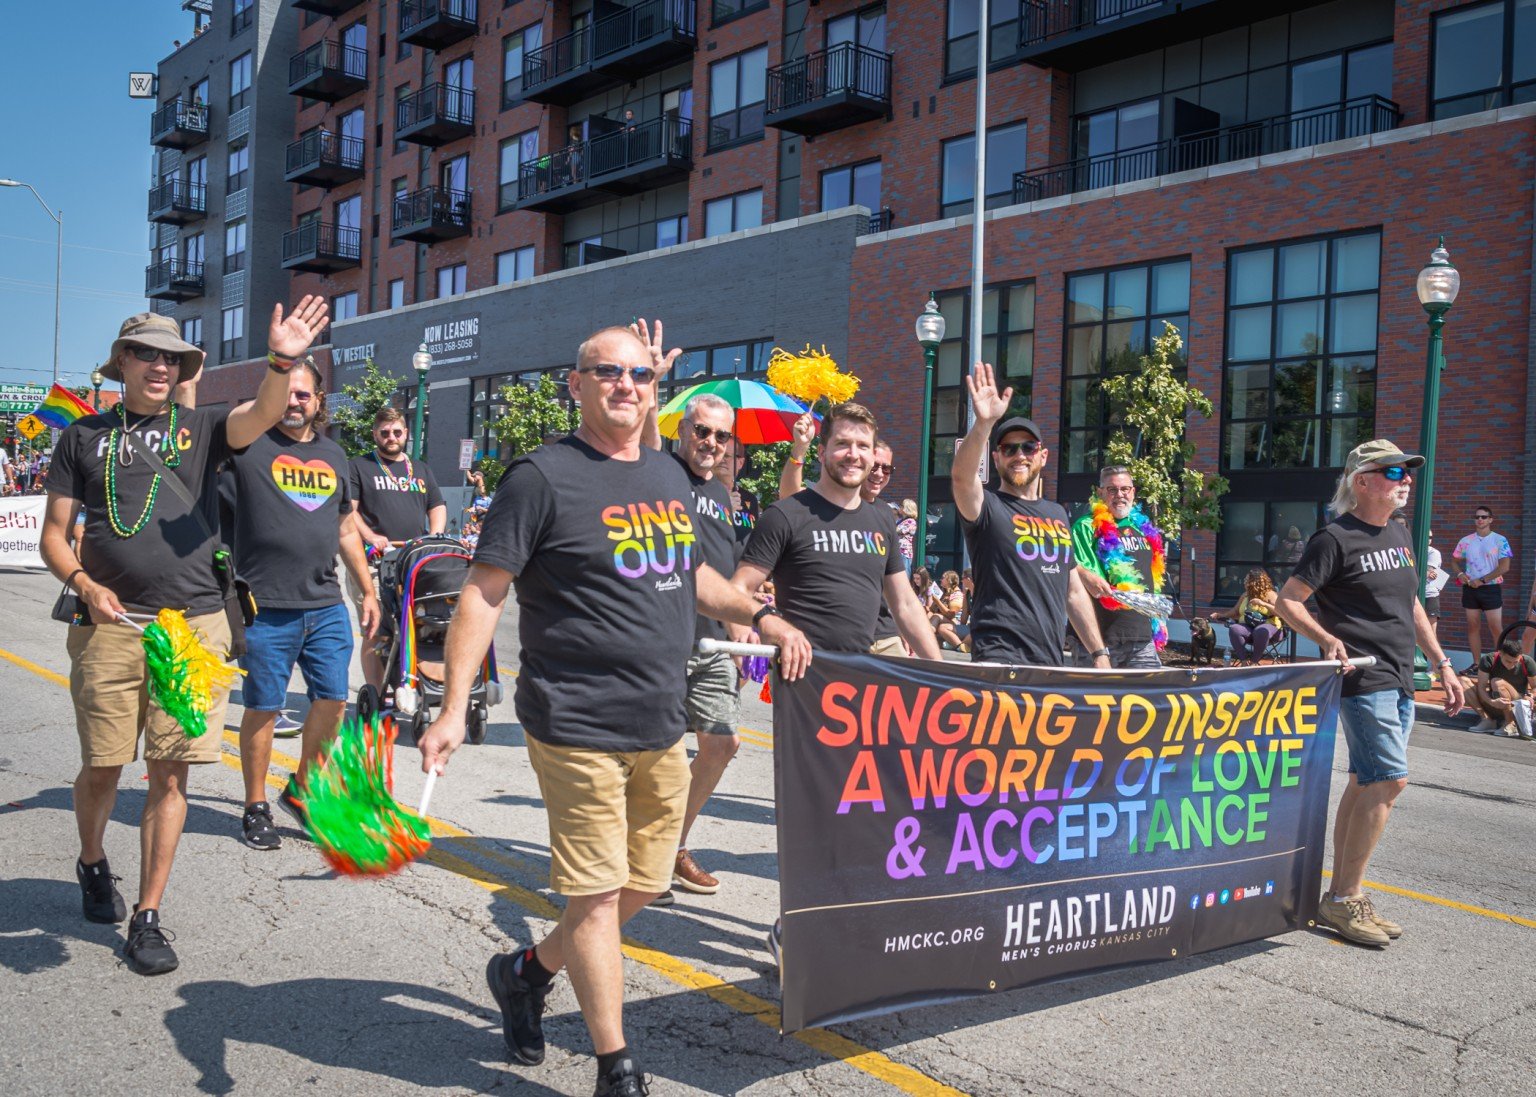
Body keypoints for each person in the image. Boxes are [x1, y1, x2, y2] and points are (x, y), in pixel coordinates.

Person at [417, 325, 810, 1097]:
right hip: (574, 721)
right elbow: (483, 594)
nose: (625, 384)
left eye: (637, 374)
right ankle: (616, 1066)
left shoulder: (667, 474)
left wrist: (762, 618)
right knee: (595, 895)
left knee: (644, 882)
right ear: (577, 384)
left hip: (659, 721)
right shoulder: (541, 478)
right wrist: (452, 705)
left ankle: (526, 971)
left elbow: (692, 574)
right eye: (608, 372)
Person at [39, 300, 329, 974]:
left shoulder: (201, 429)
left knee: (171, 774)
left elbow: (259, 414)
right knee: (104, 767)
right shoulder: (82, 437)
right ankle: (91, 860)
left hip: (194, 627)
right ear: (124, 364)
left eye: (172, 357)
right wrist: (85, 583)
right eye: (148, 354)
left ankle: (147, 914)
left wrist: (283, 360)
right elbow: (55, 536)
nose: (162, 365)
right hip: (110, 625)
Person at [736, 400, 940, 965]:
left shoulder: (880, 523)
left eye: (863, 446)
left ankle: (840, 921)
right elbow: (739, 588)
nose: (854, 455)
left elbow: (904, 605)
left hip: (873, 694)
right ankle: (795, 929)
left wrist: (941, 666)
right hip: (809, 693)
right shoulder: (787, 516)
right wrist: (759, 626)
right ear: (822, 450)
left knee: (873, 815)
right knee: (819, 817)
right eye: (843, 444)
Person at [1275, 440, 1463, 947]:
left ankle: (1339, 895)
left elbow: (1413, 606)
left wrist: (1442, 663)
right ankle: (1344, 899)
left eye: (1407, 471)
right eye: (1393, 471)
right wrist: (1327, 639)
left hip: (1402, 675)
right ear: (1362, 481)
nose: (1405, 479)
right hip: (1364, 678)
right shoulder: (1334, 538)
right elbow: (1287, 601)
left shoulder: (1400, 532)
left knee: (1363, 783)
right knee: (1389, 782)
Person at [227, 359, 380, 851]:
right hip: (264, 604)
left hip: (325, 601)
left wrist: (368, 589)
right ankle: (255, 806)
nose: (296, 401)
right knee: (265, 708)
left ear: (319, 401)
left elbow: (343, 528)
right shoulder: (246, 446)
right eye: (287, 392)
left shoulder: (336, 456)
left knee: (334, 700)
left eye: (304, 394)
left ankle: (303, 787)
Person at [644, 390, 749, 898]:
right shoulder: (659, 473)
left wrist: (740, 623)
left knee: (722, 743)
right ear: (680, 431)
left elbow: (723, 570)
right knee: (654, 755)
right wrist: (650, 391)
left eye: (721, 435)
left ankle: (671, 846)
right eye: (701, 431)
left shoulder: (722, 494)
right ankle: (643, 855)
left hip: (714, 644)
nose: (711, 442)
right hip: (660, 638)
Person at [952, 362, 1109, 669]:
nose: (1019, 455)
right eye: (1009, 449)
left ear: (1043, 455)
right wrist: (984, 424)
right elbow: (960, 477)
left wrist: (1099, 653)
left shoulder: (1057, 514)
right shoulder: (987, 507)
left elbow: (1073, 591)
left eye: (1028, 447)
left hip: (1048, 662)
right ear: (996, 458)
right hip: (998, 659)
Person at [778, 413, 908, 657]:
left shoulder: (884, 515)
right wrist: (799, 450)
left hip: (885, 633)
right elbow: (790, 499)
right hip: (835, 642)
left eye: (887, 468)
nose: (880, 473)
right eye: (877, 466)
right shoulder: (823, 505)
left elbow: (903, 599)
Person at [348, 406, 446, 691]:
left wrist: (435, 535)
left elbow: (436, 505)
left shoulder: (421, 468)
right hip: (374, 562)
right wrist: (371, 536)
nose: (391, 437)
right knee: (375, 628)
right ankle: (376, 697)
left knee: (420, 627)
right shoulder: (359, 466)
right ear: (375, 434)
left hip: (414, 562)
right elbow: (349, 512)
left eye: (397, 432)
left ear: (406, 433)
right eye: (385, 432)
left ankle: (415, 684)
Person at [1069, 465, 1167, 669]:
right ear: (1100, 492)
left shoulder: (1144, 528)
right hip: (1100, 641)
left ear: (1133, 492)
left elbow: (1153, 581)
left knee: (1148, 699)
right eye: (1112, 489)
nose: (1119, 495)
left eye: (1125, 489)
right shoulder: (1087, 526)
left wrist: (1158, 622)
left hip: (1141, 639)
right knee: (1095, 700)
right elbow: (1073, 570)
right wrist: (1083, 574)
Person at [1449, 505, 1512, 669]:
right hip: (1471, 589)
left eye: (1484, 517)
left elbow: (1504, 567)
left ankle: (1501, 664)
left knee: (1495, 627)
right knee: (1473, 626)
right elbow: (1454, 561)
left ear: (1491, 519)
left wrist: (1482, 580)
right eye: (1477, 517)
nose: (1480, 520)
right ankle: (1477, 664)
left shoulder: (1500, 540)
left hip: (1491, 589)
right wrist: (1460, 575)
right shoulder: (1466, 540)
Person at [1458, 638, 1536, 737]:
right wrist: (1492, 702)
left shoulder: (1527, 662)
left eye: (1515, 662)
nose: (1511, 665)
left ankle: (1510, 723)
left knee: (1497, 682)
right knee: (1462, 681)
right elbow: (1481, 688)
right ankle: (1487, 720)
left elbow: (1535, 687)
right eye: (1508, 661)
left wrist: (1530, 695)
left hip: (1515, 702)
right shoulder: (1489, 659)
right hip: (1495, 699)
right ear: (1500, 653)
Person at [1211, 569, 1285, 664]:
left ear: (1254, 583)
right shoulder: (1245, 595)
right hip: (1249, 627)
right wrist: (1220, 615)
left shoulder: (1271, 595)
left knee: (1260, 631)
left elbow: (1281, 612)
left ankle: (1254, 662)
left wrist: (1262, 603)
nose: (1244, 582)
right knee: (1235, 629)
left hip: (1269, 628)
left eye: (1247, 580)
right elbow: (1235, 611)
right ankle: (1244, 661)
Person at [932, 569, 970, 652]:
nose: (940, 580)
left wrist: (937, 602)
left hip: (956, 622)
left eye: (943, 578)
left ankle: (927, 637)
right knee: (931, 615)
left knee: (937, 617)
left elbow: (951, 614)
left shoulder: (957, 595)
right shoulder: (944, 593)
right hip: (950, 623)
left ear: (949, 580)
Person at [1424, 528, 1449, 645]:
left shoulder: (1433, 552)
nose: (1429, 540)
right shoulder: (1411, 550)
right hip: (1413, 594)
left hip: (1430, 595)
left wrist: (1426, 571)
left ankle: (1435, 663)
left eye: (1430, 537)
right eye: (1426, 537)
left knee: (1431, 632)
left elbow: (1428, 572)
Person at [896, 499, 917, 574]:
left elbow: (898, 531)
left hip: (904, 552)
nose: (900, 507)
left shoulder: (911, 521)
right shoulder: (901, 520)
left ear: (907, 508)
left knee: (904, 574)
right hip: (897, 551)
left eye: (902, 506)